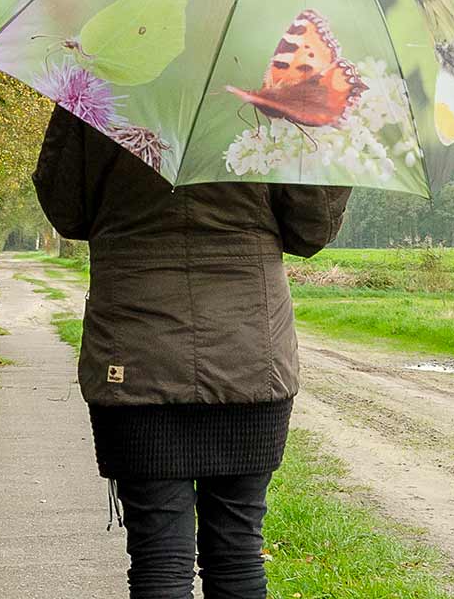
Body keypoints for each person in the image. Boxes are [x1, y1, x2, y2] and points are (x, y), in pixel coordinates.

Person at [31, 102, 352, 599]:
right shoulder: (275, 97)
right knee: (239, 550)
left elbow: (68, 213)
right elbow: (310, 231)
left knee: (158, 558)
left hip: (135, 353)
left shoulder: (97, 88)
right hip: (248, 353)